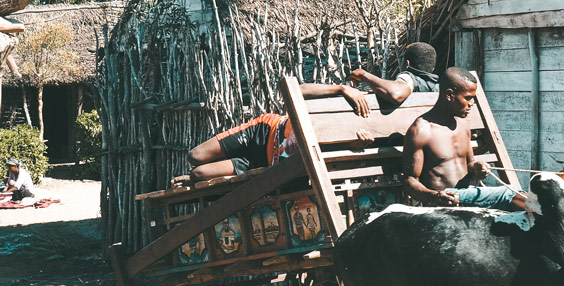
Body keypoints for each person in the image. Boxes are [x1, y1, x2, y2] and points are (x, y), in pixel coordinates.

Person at [177, 43, 439, 185]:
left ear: (405, 66)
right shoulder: (374, 100)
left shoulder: (399, 100)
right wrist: (341, 88)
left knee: (198, 174)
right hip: (266, 131)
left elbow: (349, 154)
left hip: (268, 164)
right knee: (195, 156)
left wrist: (357, 145)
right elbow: (298, 90)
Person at [402, 67, 527, 210]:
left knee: (518, 196)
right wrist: (434, 196)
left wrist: (477, 168)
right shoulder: (421, 130)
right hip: (444, 200)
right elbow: (409, 180)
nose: (472, 103)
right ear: (450, 95)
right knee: (509, 193)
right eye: (468, 98)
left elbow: (470, 163)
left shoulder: (463, 125)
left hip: (468, 195)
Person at [350, 42, 439, 103]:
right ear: (433, 68)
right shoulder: (436, 86)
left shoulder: (408, 78)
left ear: (407, 64)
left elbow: (396, 93)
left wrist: (363, 74)